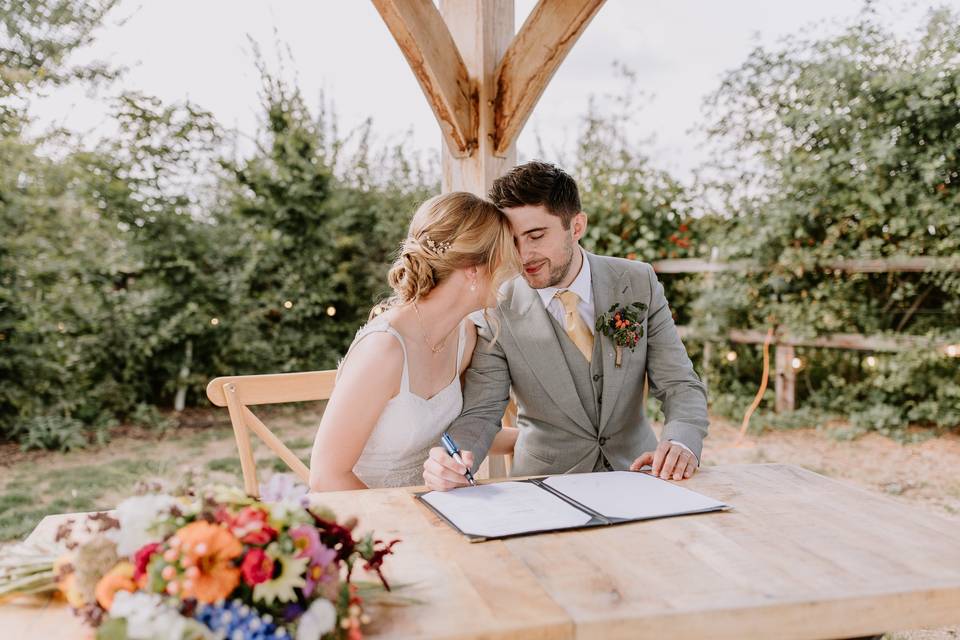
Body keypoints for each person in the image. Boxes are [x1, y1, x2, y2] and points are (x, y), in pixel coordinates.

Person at [422, 161, 709, 491]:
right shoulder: (494, 307)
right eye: (512, 240)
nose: (523, 255)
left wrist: (682, 442)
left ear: (576, 226)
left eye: (536, 235)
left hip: (639, 478)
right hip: (542, 487)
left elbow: (679, 384)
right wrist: (452, 459)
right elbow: (483, 412)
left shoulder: (637, 282)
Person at [309, 192, 520, 491]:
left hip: (432, 509)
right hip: (368, 521)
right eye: (505, 260)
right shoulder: (384, 349)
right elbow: (326, 477)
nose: (512, 272)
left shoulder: (464, 336)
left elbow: (451, 431)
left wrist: (534, 439)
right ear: (473, 268)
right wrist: (402, 529)